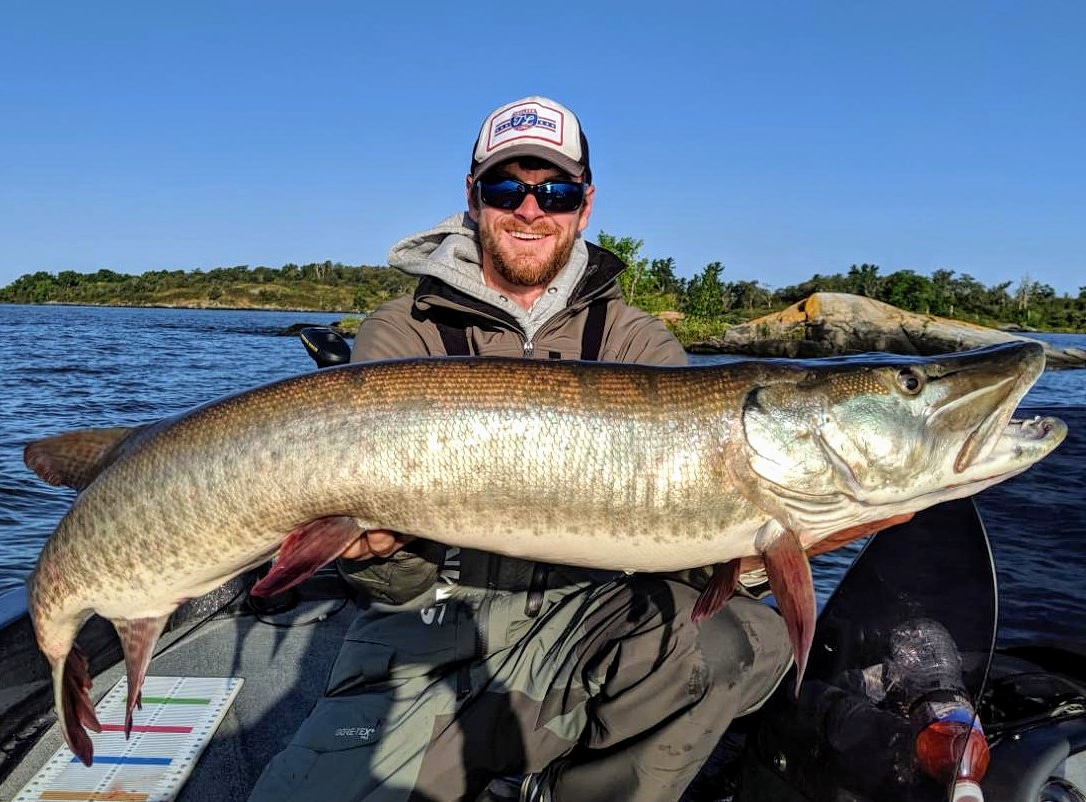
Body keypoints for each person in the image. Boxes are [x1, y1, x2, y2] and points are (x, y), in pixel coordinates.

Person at [248, 96, 791, 802]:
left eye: (555, 190)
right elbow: (390, 586)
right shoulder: (398, 335)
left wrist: (750, 560)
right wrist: (376, 559)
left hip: (586, 621)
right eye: (507, 187)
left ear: (584, 205)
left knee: (741, 640)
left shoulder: (638, 344)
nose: (531, 209)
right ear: (474, 199)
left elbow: (684, 546)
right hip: (430, 629)